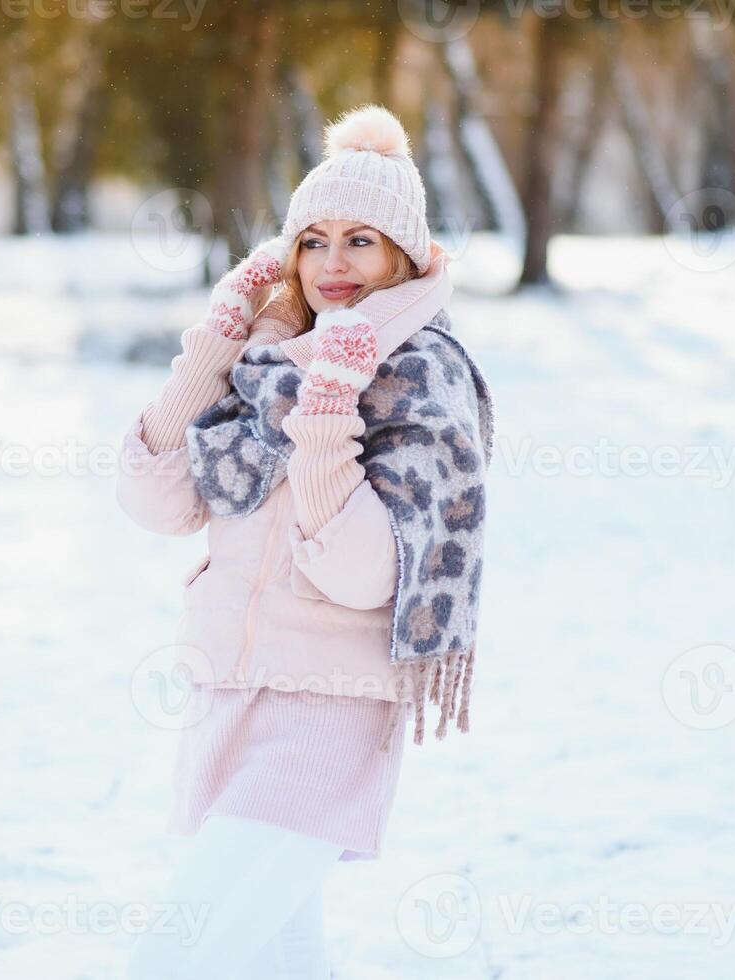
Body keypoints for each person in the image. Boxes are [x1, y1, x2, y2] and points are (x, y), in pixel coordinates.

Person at [117, 103, 494, 979]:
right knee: (276, 960)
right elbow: (157, 501)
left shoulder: (421, 375)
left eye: (361, 241)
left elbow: (366, 574)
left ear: (405, 255)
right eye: (313, 240)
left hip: (326, 708)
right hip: (234, 693)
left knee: (170, 962)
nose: (333, 264)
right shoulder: (265, 359)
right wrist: (214, 349)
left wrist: (329, 415)